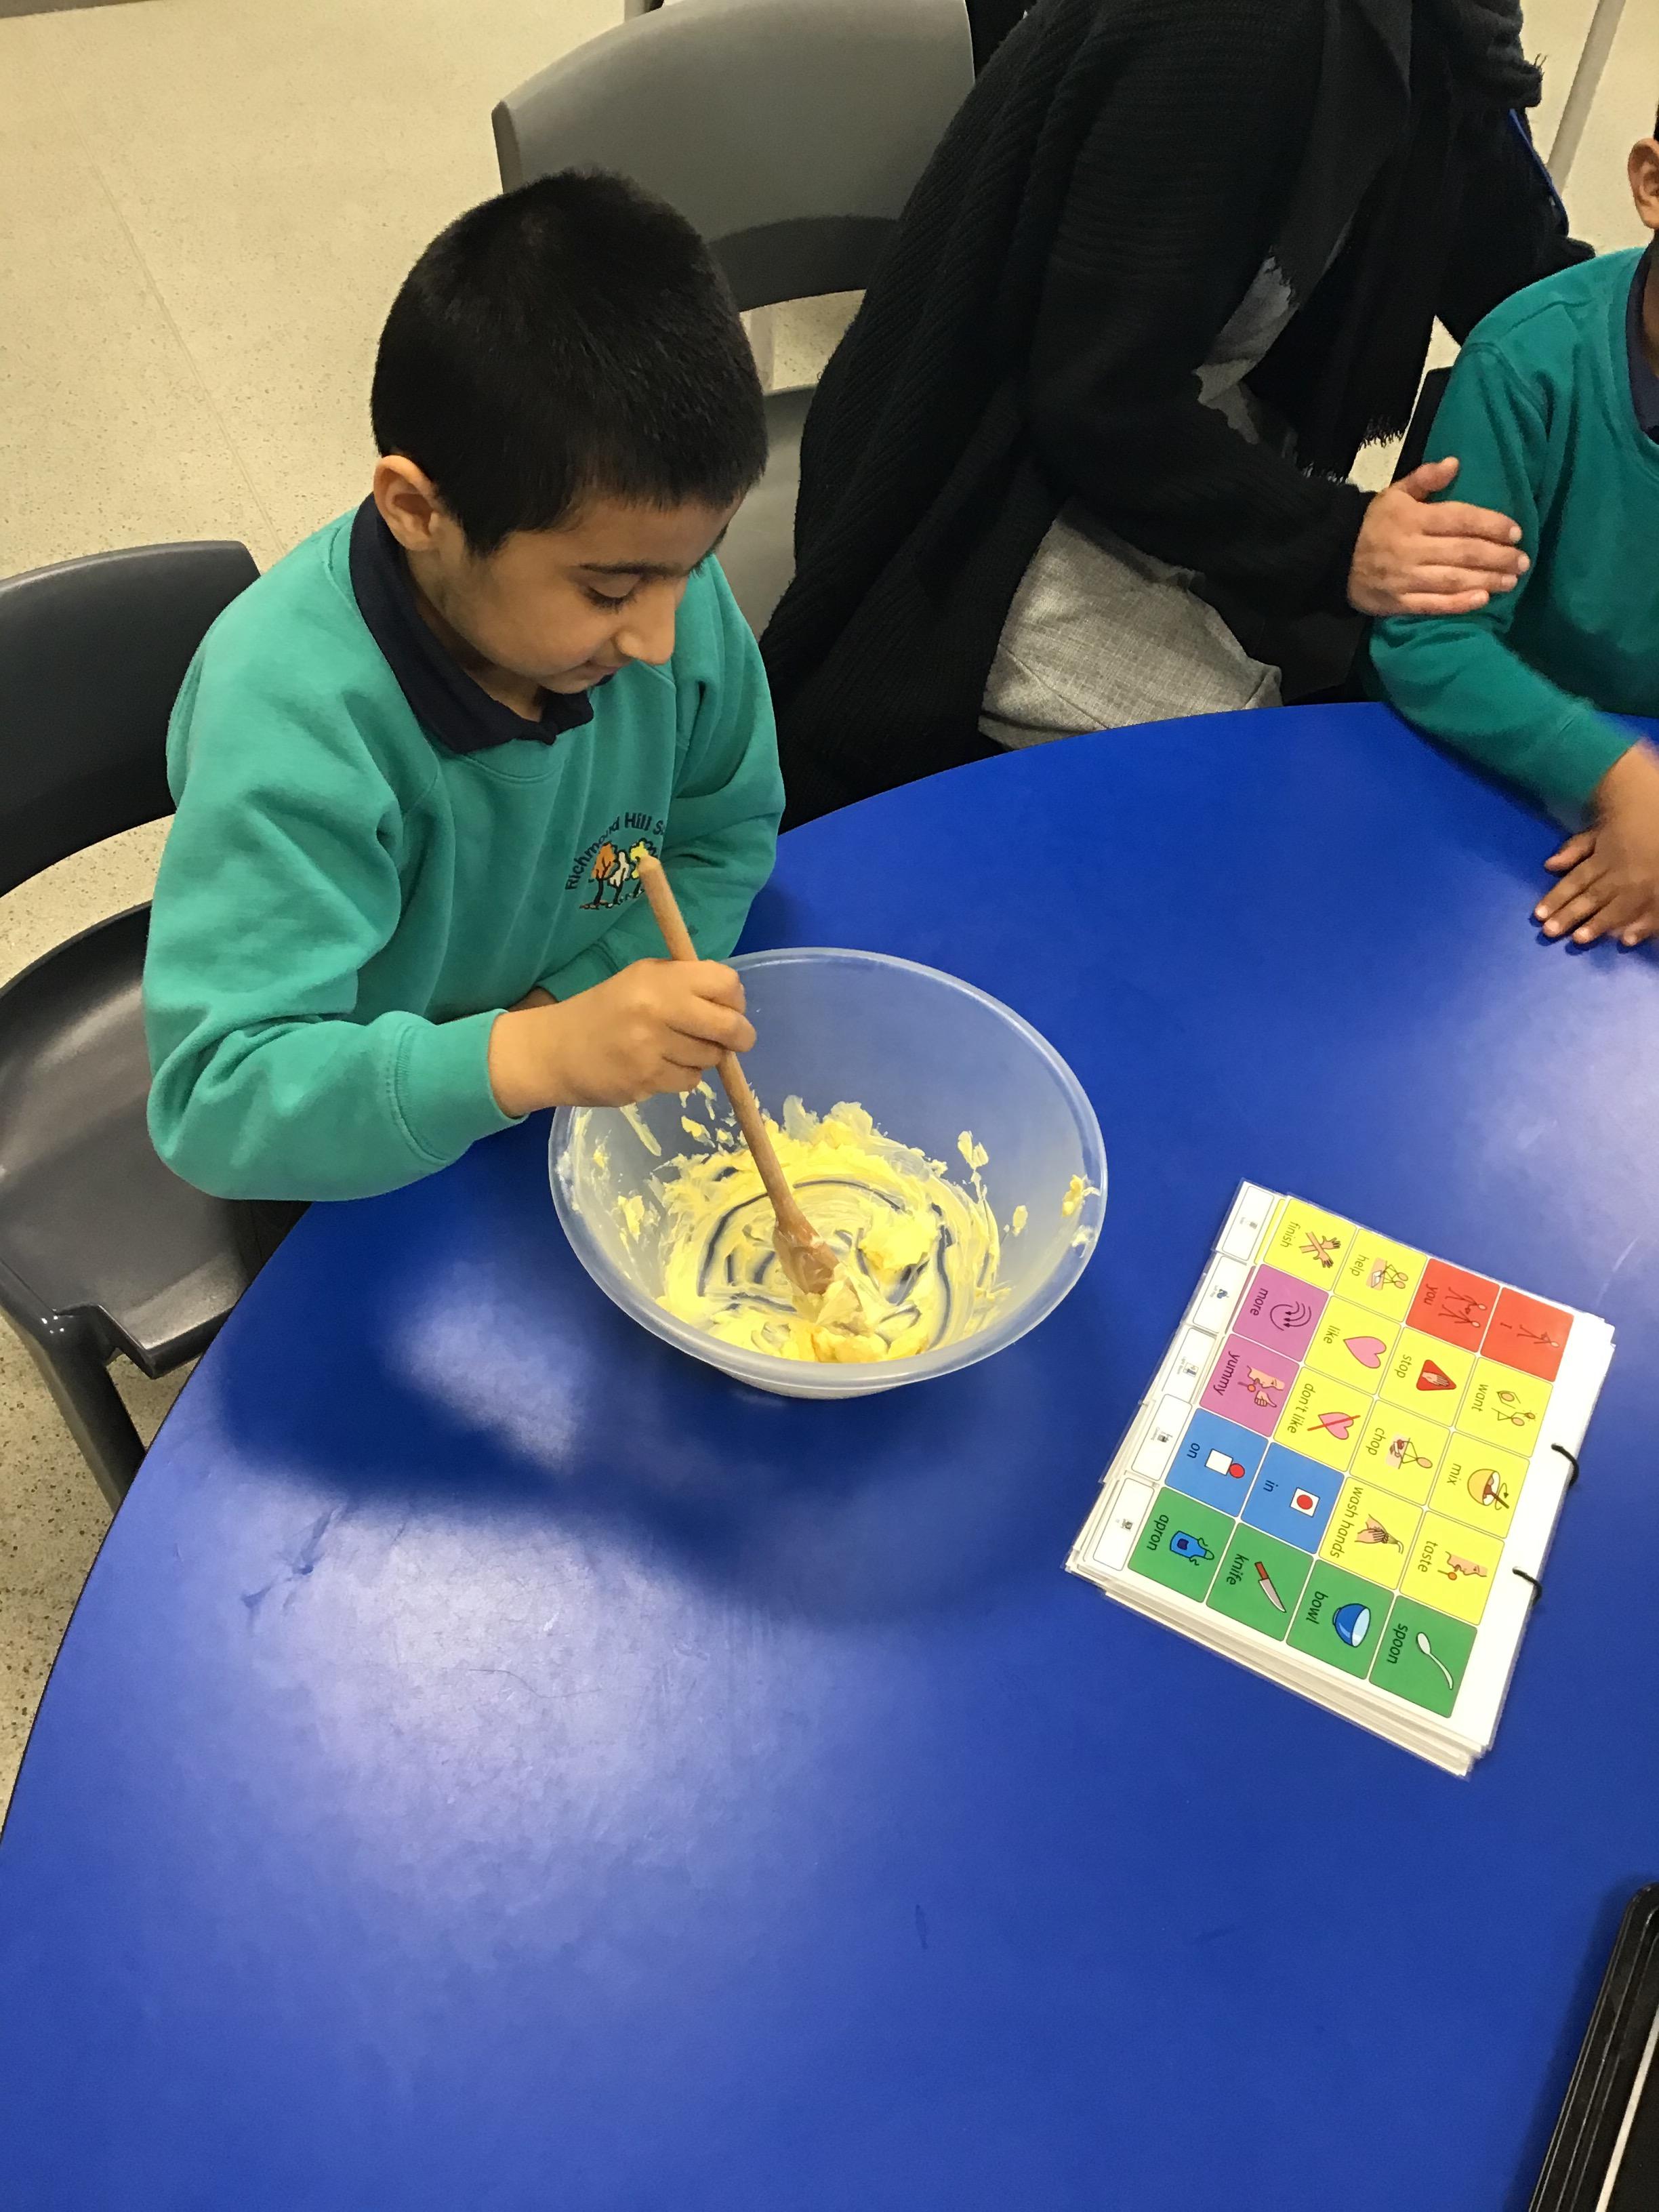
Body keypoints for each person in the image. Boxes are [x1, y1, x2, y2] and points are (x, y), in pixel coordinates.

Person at [762, 0, 1588, 825]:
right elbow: (1098, 398)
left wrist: (1622, 337)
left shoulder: (1448, 35)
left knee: (1347, 705)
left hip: (1153, 434)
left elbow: (1535, 286)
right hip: (983, 493)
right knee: (1273, 788)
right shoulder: (1231, 29)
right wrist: (1338, 541)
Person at [144, 173, 782, 1215]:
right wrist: (526, 1057)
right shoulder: (295, 723)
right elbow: (219, 1098)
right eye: (608, 590)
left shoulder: (656, 583)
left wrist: (565, 1018)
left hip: (539, 1097)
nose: (661, 640)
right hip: (355, 1148)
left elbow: (725, 835)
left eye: (696, 564)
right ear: (416, 511)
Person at [1370, 119, 1659, 949]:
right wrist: (1617, 778)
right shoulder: (1527, 363)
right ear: (1651, 184)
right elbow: (1431, 641)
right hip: (1504, 785)